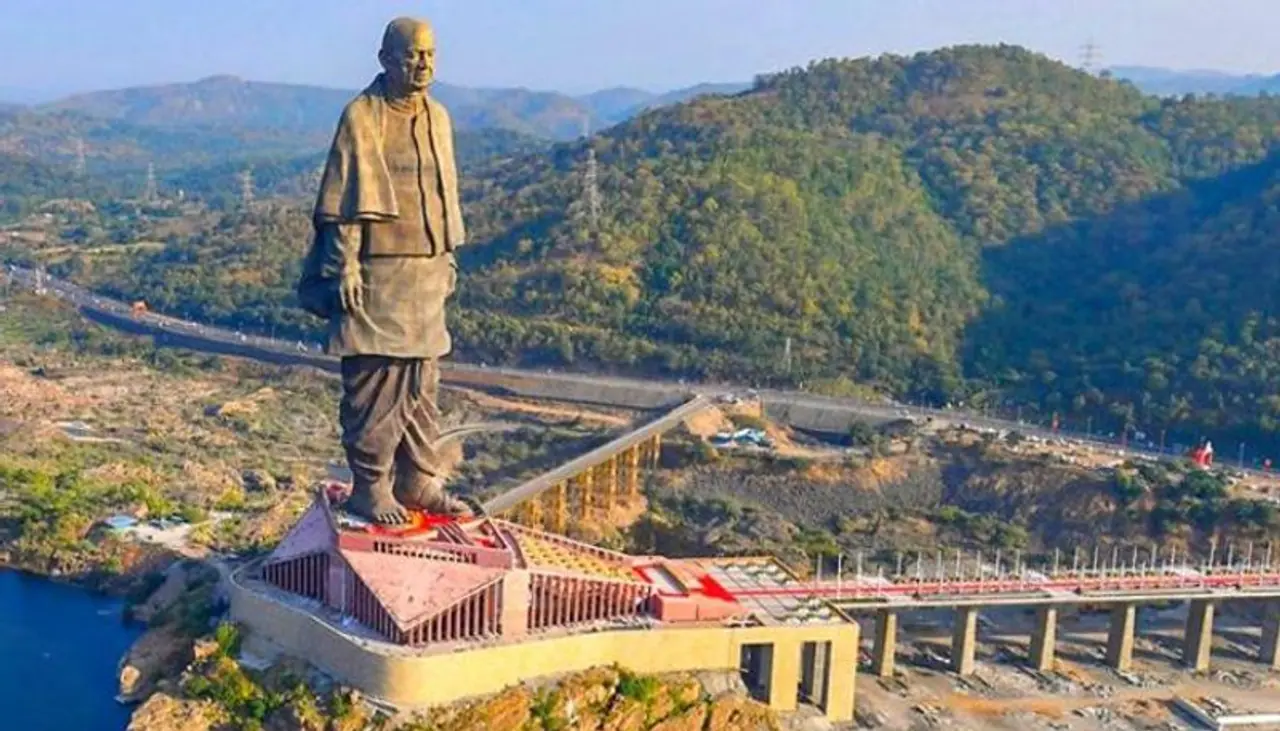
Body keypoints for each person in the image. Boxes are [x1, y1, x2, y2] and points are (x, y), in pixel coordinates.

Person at [297, 16, 469, 524]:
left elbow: (443, 194)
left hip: (427, 266)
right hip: (377, 269)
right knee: (375, 378)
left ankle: (417, 479)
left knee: (422, 379)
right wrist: (345, 264)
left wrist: (447, 257)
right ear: (386, 59)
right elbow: (344, 201)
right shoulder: (361, 116)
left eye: (430, 55)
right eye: (414, 54)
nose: (423, 64)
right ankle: (370, 486)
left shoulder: (438, 116)